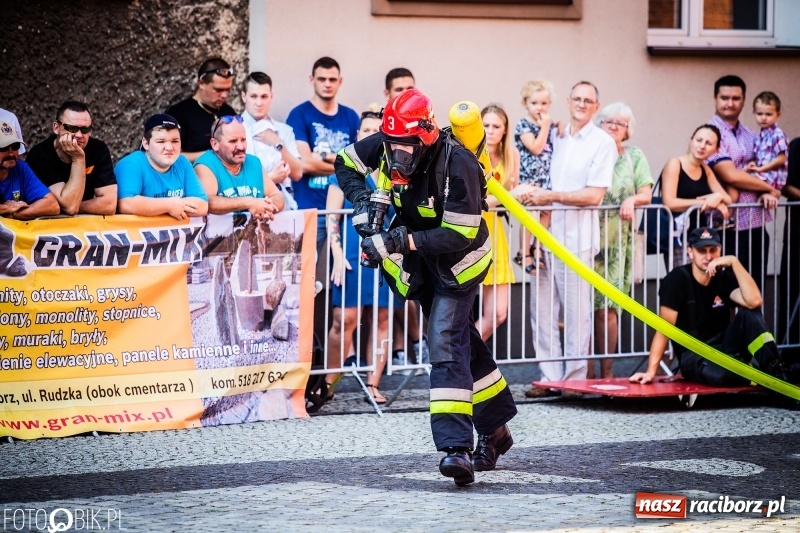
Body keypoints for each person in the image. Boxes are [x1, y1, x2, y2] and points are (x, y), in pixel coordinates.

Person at [335, 89, 517, 485]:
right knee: (464, 342)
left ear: (426, 137)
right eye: (391, 148)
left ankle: (456, 449)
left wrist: (399, 242)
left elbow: (459, 234)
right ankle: (497, 431)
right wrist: (364, 201)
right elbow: (345, 161)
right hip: (423, 266)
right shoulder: (390, 140)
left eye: (405, 151)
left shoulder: (459, 163)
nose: (396, 159)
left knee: (445, 340)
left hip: (460, 264)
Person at [524, 81, 617, 398]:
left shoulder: (603, 143)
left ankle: (575, 381)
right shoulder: (557, 136)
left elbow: (594, 195)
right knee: (542, 311)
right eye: (576, 98)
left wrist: (550, 197)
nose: (581, 103)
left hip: (577, 239)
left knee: (577, 314)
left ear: (596, 105)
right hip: (544, 236)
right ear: (568, 101)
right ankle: (549, 377)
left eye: (588, 100)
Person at [630, 227, 788, 386]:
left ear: (720, 251)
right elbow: (664, 328)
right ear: (690, 252)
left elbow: (754, 301)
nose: (708, 256)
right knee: (724, 376)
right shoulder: (676, 279)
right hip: (695, 356)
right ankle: (751, 374)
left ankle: (775, 369)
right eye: (701, 250)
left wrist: (734, 261)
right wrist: (651, 371)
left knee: (750, 314)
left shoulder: (724, 277)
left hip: (726, 350)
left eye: (713, 250)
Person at [324, 107, 391, 404]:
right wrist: (337, 253)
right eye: (366, 130)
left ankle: (373, 384)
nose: (371, 135)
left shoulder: (395, 171)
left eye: (377, 130)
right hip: (352, 251)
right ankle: (327, 383)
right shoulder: (349, 168)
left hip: (389, 251)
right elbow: (332, 217)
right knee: (345, 319)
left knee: (383, 318)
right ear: (358, 135)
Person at [590, 103, 653, 379]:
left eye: (621, 123)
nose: (614, 126)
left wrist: (632, 199)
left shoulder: (634, 156)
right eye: (609, 121)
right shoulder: (589, 150)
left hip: (617, 245)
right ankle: (584, 372)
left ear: (628, 130)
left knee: (608, 309)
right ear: (600, 124)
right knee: (582, 309)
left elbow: (646, 193)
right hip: (587, 238)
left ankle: (606, 374)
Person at [706, 75, 779, 290]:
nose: (730, 103)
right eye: (724, 97)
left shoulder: (751, 134)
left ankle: (754, 326)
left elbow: (766, 168)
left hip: (755, 224)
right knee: (725, 294)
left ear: (744, 100)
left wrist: (766, 190)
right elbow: (730, 175)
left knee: (754, 290)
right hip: (725, 227)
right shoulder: (710, 133)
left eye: (736, 98)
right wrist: (768, 188)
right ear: (715, 99)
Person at [286, 56, 360, 245]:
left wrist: (323, 158)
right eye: (321, 79)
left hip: (344, 210)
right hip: (310, 209)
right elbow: (305, 164)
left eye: (332, 79)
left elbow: (358, 162)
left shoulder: (350, 117)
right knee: (307, 270)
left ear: (340, 81)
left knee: (343, 271)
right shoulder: (299, 114)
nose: (327, 84)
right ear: (312, 80)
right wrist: (343, 166)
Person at [475, 103, 529, 341]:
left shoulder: (511, 154)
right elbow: (474, 201)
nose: (490, 130)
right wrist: (510, 196)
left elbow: (511, 197)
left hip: (495, 232)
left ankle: (462, 359)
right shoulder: (470, 154)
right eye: (485, 125)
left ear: (505, 130)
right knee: (459, 312)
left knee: (498, 313)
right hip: (470, 230)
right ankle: (457, 363)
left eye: (496, 126)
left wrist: (523, 195)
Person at [26, 101, 117, 215]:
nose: (79, 135)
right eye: (72, 128)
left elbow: (109, 205)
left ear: (91, 131)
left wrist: (68, 206)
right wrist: (78, 159)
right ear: (56, 128)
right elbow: (70, 206)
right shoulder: (40, 155)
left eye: (84, 129)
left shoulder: (98, 149)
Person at [660, 125, 732, 266]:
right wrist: (703, 202)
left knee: (702, 282)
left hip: (700, 237)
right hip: (678, 237)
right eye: (699, 140)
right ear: (691, 141)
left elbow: (727, 198)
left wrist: (717, 197)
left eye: (709, 143)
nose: (702, 146)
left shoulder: (705, 168)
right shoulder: (675, 163)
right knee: (682, 280)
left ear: (716, 149)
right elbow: (669, 202)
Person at [115, 114, 208, 219]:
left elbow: (202, 205)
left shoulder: (182, 162)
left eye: (175, 141)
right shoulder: (131, 164)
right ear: (146, 144)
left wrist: (171, 206)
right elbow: (125, 204)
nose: (169, 147)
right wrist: (169, 206)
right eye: (161, 141)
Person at [195, 114, 285, 217]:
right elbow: (207, 202)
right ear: (215, 144)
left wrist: (265, 208)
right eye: (233, 141)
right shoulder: (205, 164)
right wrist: (249, 202)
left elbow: (278, 196)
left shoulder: (254, 162)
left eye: (243, 139)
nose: (241, 146)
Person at [240, 71, 302, 208]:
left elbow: (297, 173)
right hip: (245, 208)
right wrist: (270, 178)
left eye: (264, 96)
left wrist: (278, 143)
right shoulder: (234, 129)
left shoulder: (284, 130)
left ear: (271, 97)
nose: (259, 103)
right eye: (253, 96)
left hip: (283, 206)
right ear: (244, 97)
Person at [514, 80, 556, 275]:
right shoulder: (524, 125)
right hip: (528, 178)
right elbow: (536, 148)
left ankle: (537, 246)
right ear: (525, 104)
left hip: (545, 178)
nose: (540, 108)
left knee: (547, 212)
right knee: (530, 215)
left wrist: (556, 125)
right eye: (534, 103)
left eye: (544, 103)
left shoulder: (549, 124)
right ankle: (524, 251)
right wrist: (546, 126)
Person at [166, 58, 237, 162]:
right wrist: (212, 155)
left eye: (228, 90)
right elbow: (170, 155)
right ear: (201, 83)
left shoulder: (228, 112)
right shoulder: (179, 114)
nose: (224, 95)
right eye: (218, 90)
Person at [0, 122, 59, 224]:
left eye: (15, 146)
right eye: (3, 147)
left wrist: (14, 215)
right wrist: (6, 208)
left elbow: (52, 205)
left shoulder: (21, 167)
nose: (10, 153)